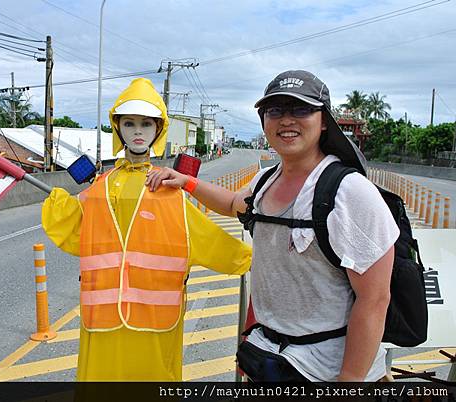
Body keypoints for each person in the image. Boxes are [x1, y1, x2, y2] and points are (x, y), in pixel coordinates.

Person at [146, 70, 400, 382]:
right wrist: (187, 182)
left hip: (326, 370)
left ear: (324, 121)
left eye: (301, 109)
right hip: (271, 357)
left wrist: (349, 381)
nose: (286, 120)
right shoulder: (266, 180)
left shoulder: (349, 192)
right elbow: (231, 204)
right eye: (275, 110)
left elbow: (375, 299)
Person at [41, 77, 251, 381]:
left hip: (156, 321)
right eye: (129, 123)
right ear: (118, 128)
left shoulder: (169, 190)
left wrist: (249, 258)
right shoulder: (99, 189)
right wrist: (57, 203)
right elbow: (71, 227)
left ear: (158, 130)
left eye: (146, 124)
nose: (138, 131)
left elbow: (207, 237)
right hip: (103, 320)